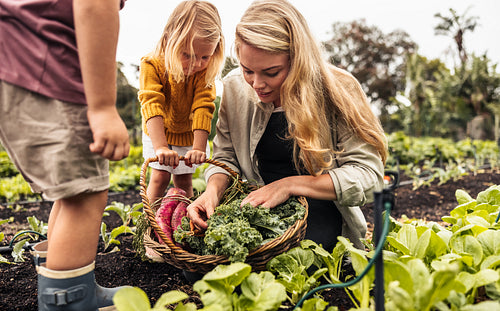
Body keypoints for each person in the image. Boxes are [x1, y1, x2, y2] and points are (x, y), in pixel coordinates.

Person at [187, 0, 388, 252]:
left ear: (298, 60)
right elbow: (226, 156)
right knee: (199, 260)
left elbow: (368, 175)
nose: (256, 83)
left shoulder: (339, 89)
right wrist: (213, 192)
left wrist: (289, 185)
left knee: (296, 255)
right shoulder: (235, 87)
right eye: (248, 70)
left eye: (271, 72)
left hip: (316, 207)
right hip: (254, 203)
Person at [0, 0, 130, 310]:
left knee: (70, 192)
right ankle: (67, 302)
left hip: (19, 59)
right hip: (44, 66)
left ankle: (69, 285)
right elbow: (96, 4)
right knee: (85, 195)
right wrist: (102, 107)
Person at [139, 0, 225, 207]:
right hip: (157, 129)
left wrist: (198, 148)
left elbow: (203, 108)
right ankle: (149, 227)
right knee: (159, 178)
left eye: (205, 56)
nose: (197, 64)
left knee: (184, 181)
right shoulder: (152, 64)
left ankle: (183, 226)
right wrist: (160, 147)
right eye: (187, 55)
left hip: (186, 132)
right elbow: (152, 103)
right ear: (169, 41)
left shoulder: (204, 73)